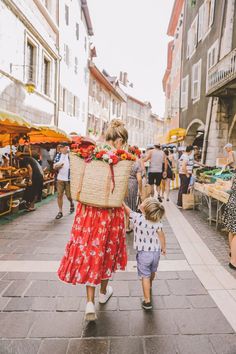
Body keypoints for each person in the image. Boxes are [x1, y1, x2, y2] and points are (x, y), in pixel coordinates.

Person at [58, 120, 128, 321]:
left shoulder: (91, 154)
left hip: (88, 211)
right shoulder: (119, 158)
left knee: (91, 251)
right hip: (109, 212)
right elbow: (117, 188)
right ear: (120, 140)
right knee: (106, 251)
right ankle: (103, 293)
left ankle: (89, 302)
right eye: (123, 142)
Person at [123, 197, 166, 310]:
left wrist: (121, 203)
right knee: (152, 271)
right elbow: (161, 235)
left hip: (144, 254)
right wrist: (163, 248)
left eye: (144, 202)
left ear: (144, 209)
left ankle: (147, 301)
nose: (141, 202)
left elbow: (128, 211)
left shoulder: (138, 218)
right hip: (155, 252)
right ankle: (150, 284)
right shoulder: (157, 222)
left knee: (144, 276)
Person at [53, 145, 74, 219]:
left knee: (69, 196)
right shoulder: (58, 155)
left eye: (66, 148)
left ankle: (71, 203)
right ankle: (60, 211)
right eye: (62, 148)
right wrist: (58, 166)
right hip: (60, 179)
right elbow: (54, 166)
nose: (64, 149)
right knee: (59, 195)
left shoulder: (71, 155)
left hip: (68, 179)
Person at [125, 151, 142, 232]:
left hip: (123, 184)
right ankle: (127, 227)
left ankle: (123, 225)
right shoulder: (136, 164)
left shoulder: (124, 162)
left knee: (124, 205)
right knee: (131, 205)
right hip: (132, 185)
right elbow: (139, 179)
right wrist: (140, 190)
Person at [223, 174, 236, 270]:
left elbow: (231, 187)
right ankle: (233, 261)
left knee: (232, 230)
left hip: (232, 201)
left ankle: (232, 252)